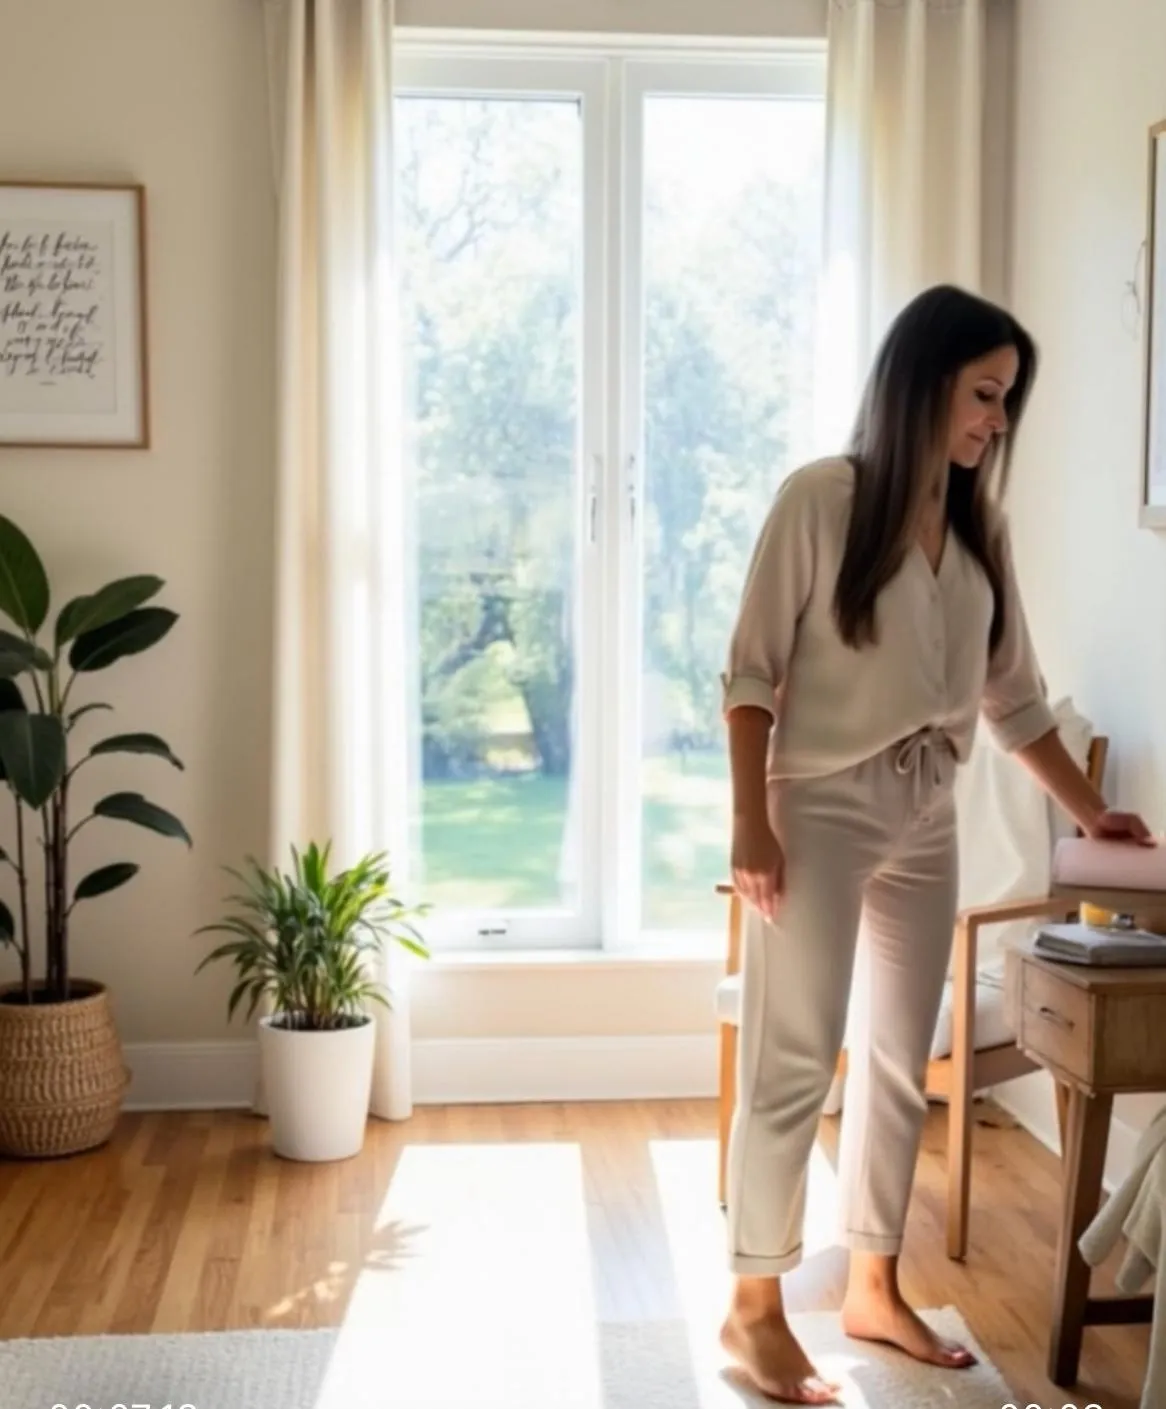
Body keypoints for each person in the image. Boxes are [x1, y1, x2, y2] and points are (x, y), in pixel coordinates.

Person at [718, 283, 1155, 1405]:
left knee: (894, 1064)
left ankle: (872, 1282)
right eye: (982, 393)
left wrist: (1085, 810)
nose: (995, 420)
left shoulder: (979, 532)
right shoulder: (819, 499)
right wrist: (748, 822)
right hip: (815, 806)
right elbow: (751, 675)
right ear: (922, 381)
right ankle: (752, 1309)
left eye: (1005, 400)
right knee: (792, 1059)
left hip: (925, 809)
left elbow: (1015, 705)